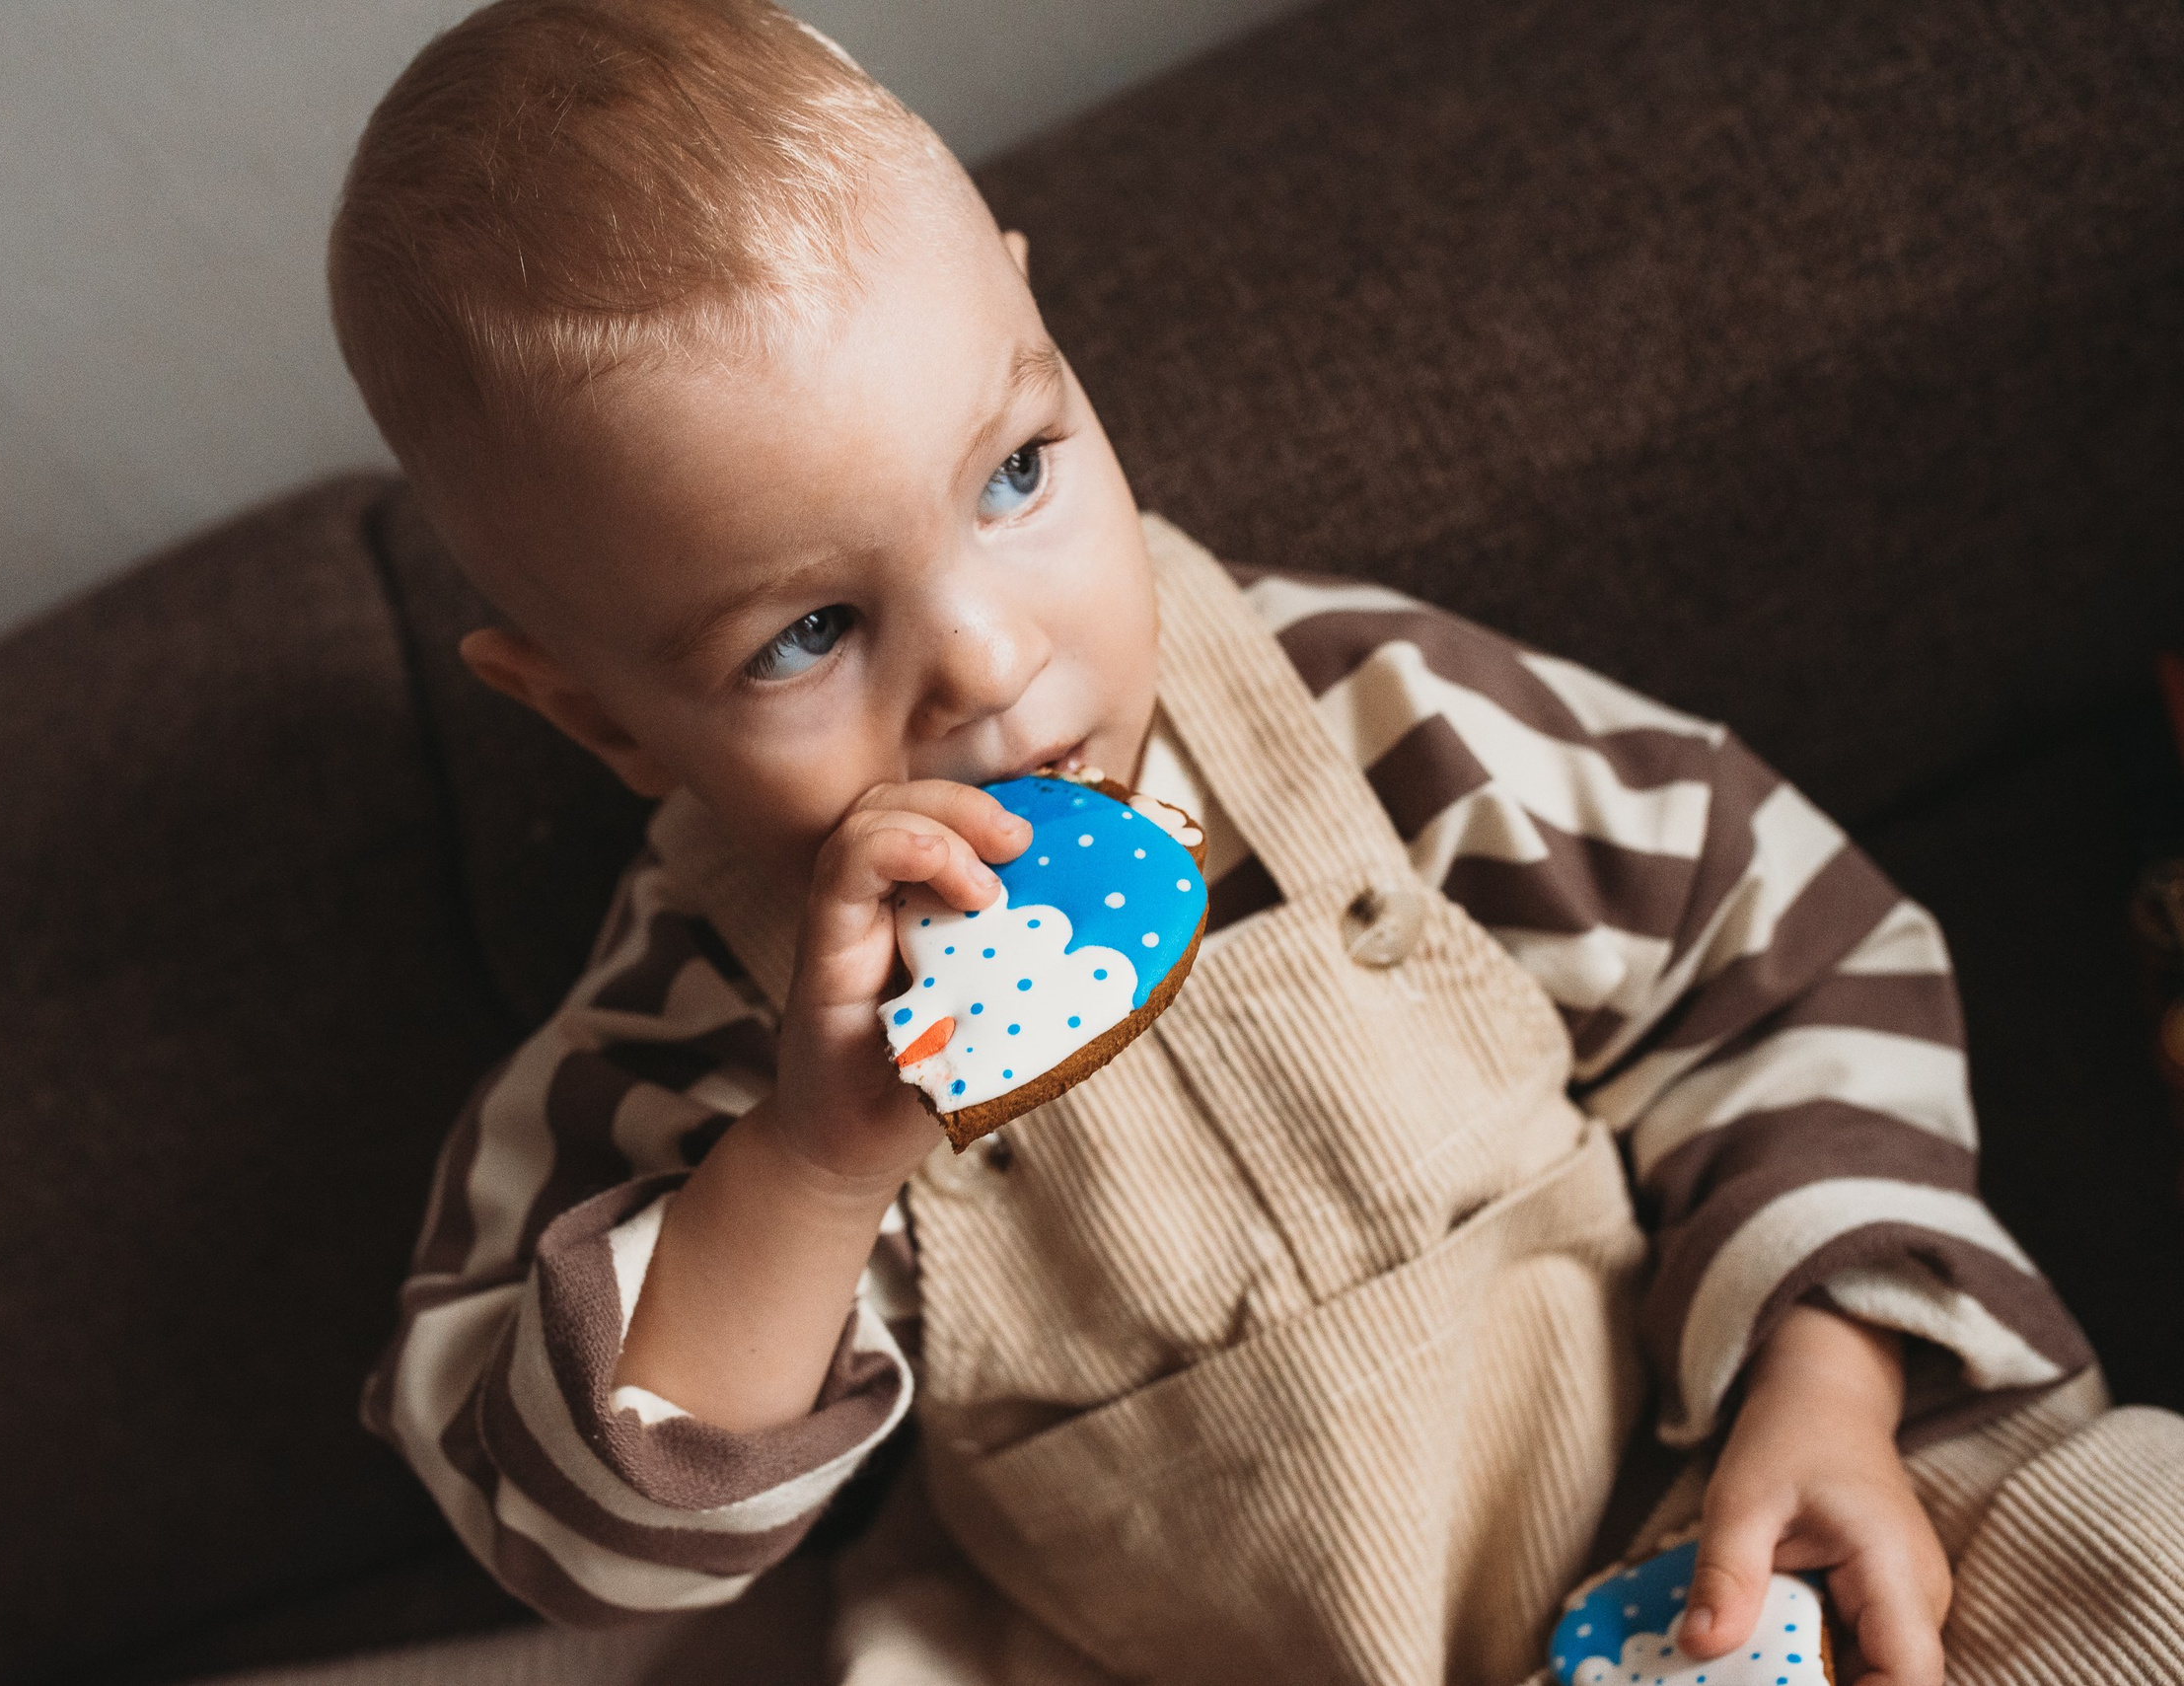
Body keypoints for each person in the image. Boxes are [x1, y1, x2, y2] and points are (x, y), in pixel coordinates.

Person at [325, 3, 2184, 1681]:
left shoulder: (1368, 714)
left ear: (1053, 343)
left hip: (1717, 1507)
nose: (989, 658)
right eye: (807, 634)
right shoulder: (691, 1037)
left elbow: (1785, 964)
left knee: (2130, 1552)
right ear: (596, 712)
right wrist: (811, 1167)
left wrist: (1827, 1378)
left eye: (1016, 473)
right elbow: (568, 1528)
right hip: (1196, 1647)